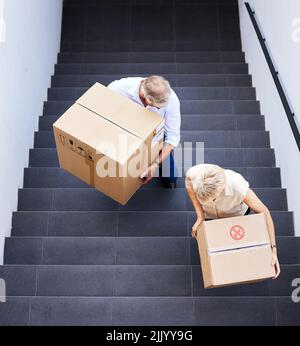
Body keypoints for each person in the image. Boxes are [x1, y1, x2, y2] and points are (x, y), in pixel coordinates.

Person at [185, 164, 281, 279]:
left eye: (214, 199)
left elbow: (264, 213)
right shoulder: (194, 174)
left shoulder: (237, 186)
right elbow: (188, 183)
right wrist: (200, 215)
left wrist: (273, 250)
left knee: (240, 246)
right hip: (210, 216)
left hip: (236, 215)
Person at [108, 75, 181, 188]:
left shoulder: (172, 100)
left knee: (171, 177)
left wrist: (155, 164)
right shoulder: (119, 88)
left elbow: (172, 137)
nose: (158, 109)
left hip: (156, 135)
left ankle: (162, 159)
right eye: (156, 107)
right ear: (145, 97)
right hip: (128, 129)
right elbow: (105, 101)